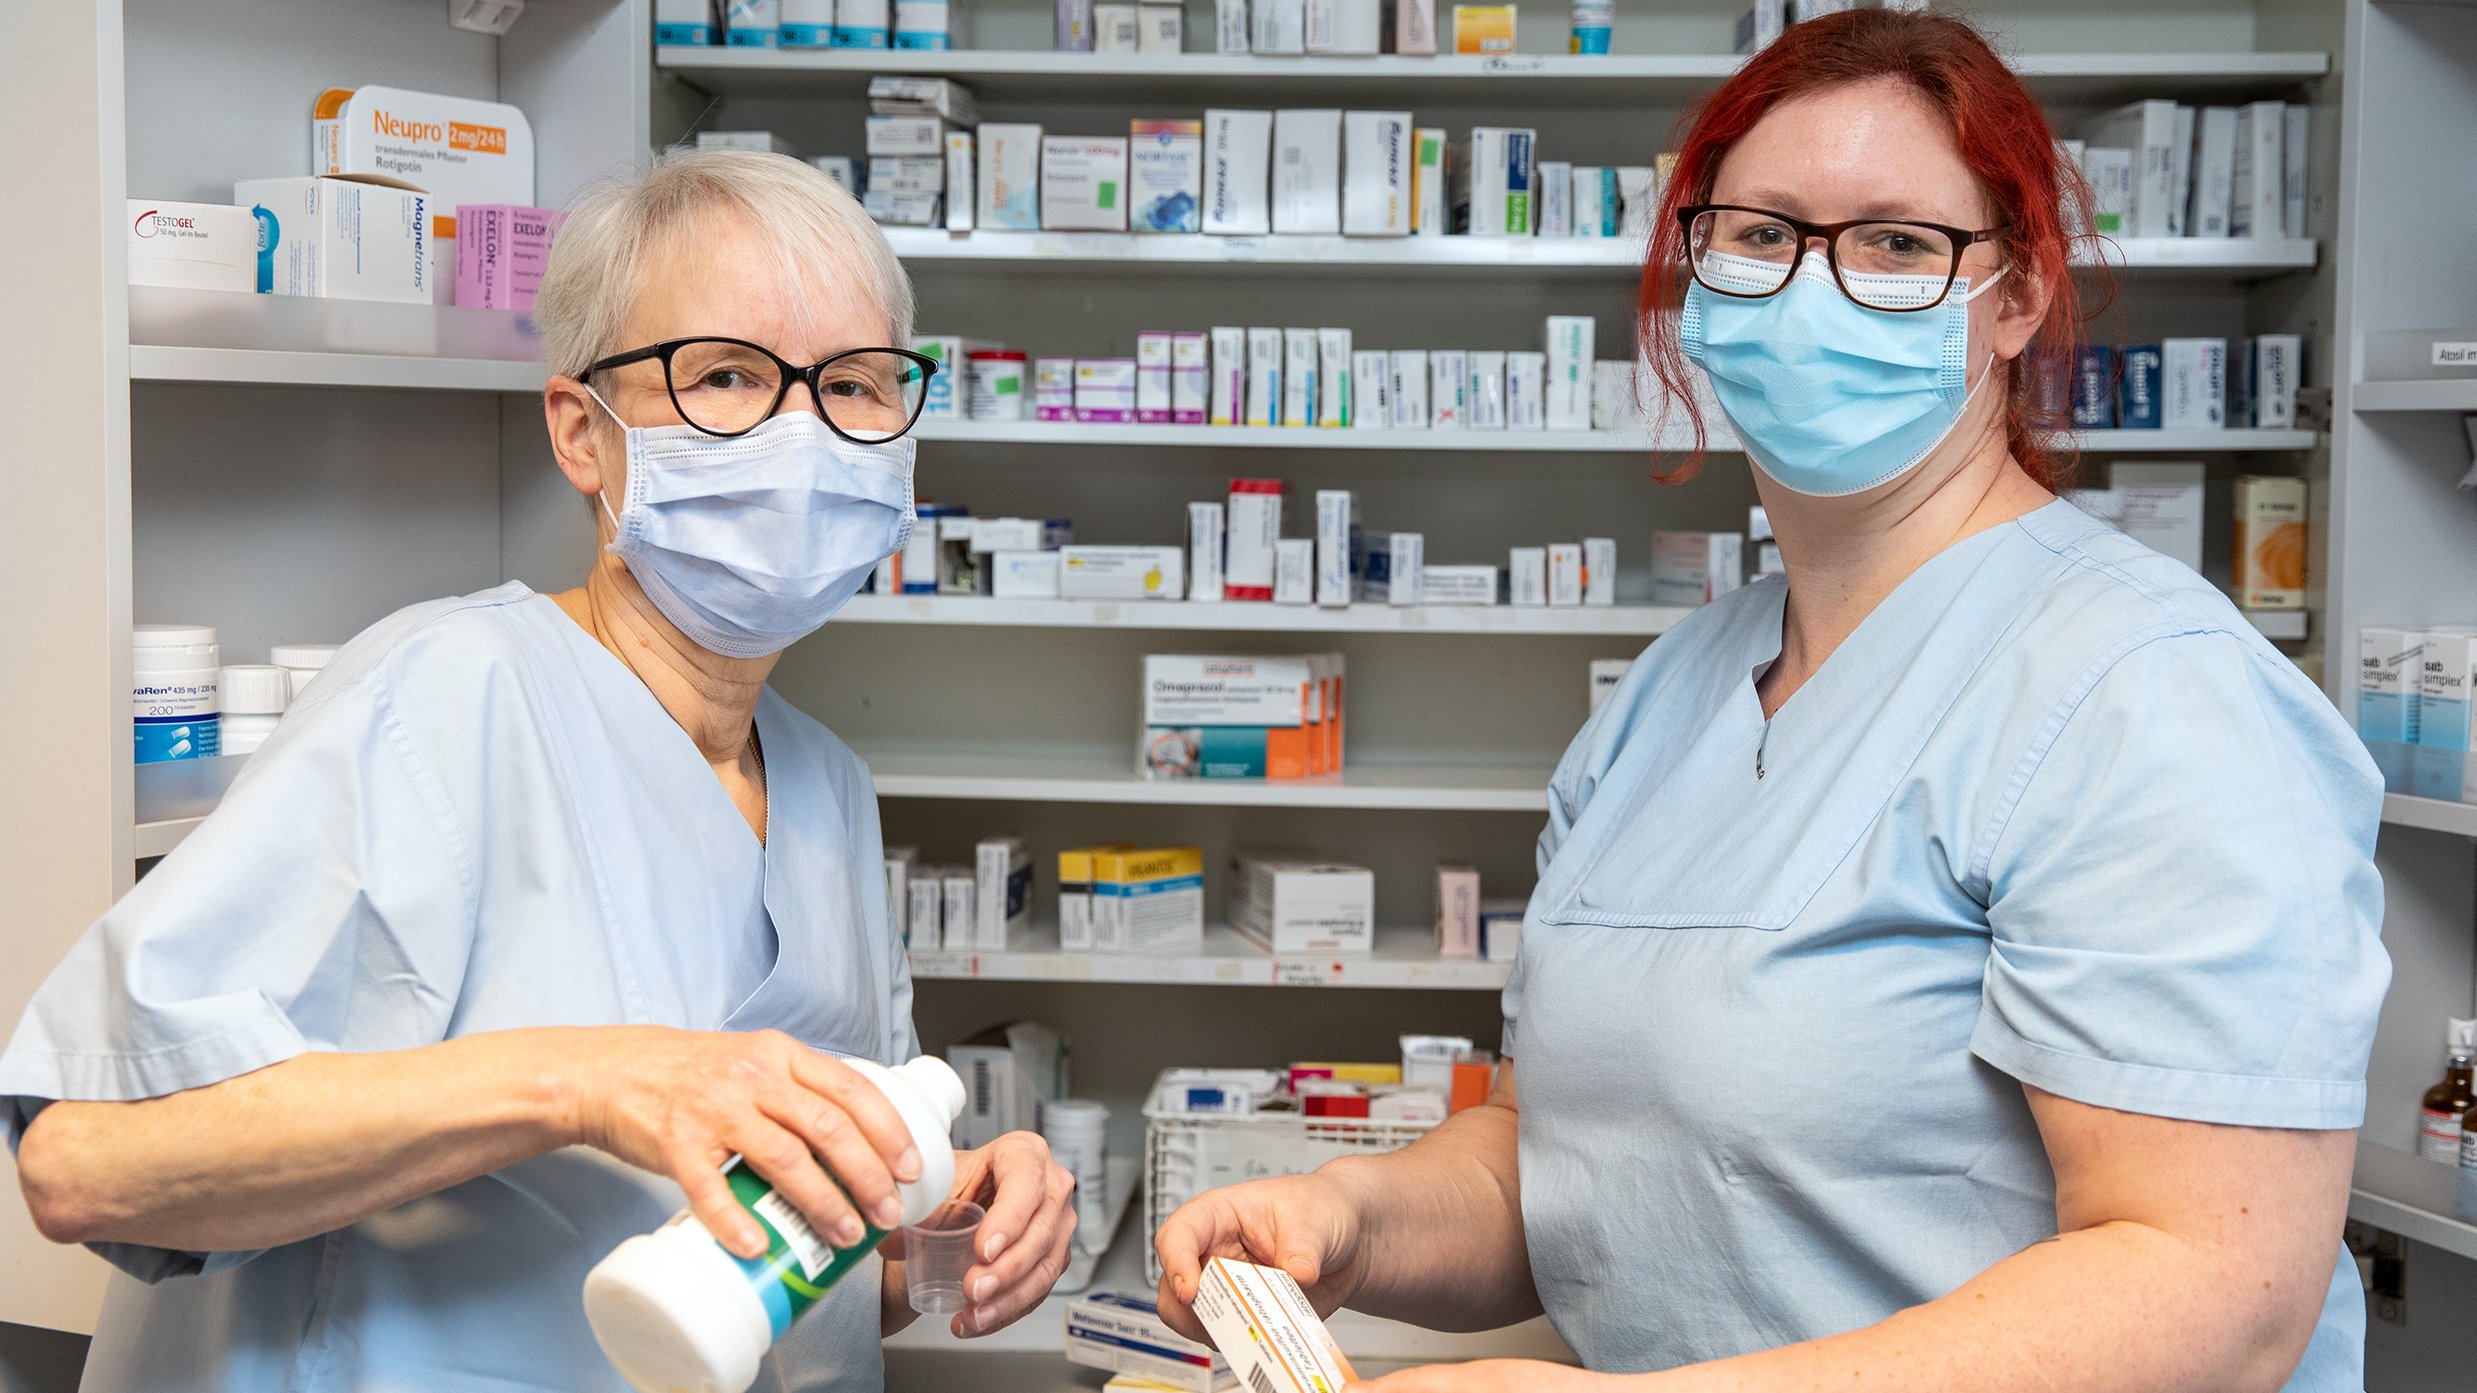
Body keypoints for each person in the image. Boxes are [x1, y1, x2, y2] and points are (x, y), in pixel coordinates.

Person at [1154, 13, 2389, 1393]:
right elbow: (1572, 1159)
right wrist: (1353, 1220)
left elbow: (2211, 1292)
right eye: (1760, 233)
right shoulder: (1668, 698)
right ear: (1698, 269)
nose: (1816, 290)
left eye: (1897, 243)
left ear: (2016, 298)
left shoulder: (2149, 692)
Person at [3, 151, 1076, 1393]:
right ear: (581, 433)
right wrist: (580, 1078)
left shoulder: (827, 789)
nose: (801, 433)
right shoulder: (443, 699)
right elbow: (85, 1160)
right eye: (726, 375)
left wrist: (951, 1248)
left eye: (852, 383)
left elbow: (774, 1272)